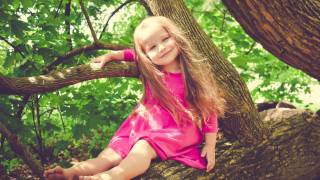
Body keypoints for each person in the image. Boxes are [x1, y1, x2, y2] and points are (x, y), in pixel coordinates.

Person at [44, 16, 225, 180]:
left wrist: (210, 145)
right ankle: (71, 173)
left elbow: (209, 111)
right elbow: (133, 54)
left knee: (142, 149)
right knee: (110, 154)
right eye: (153, 47)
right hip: (141, 124)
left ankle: (109, 178)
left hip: (177, 130)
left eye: (165, 39)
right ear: (147, 55)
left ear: (176, 36)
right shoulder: (151, 69)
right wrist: (113, 55)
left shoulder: (194, 74)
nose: (161, 48)